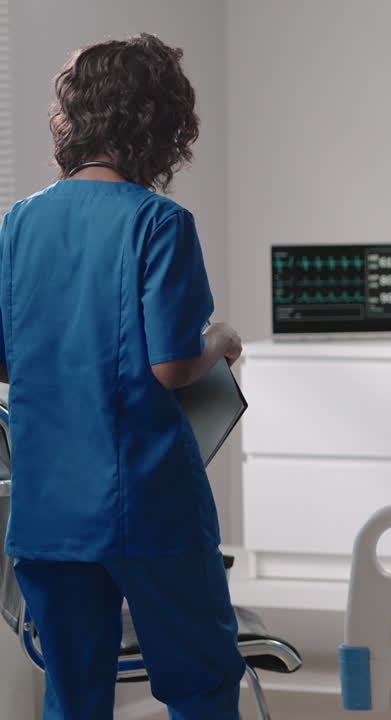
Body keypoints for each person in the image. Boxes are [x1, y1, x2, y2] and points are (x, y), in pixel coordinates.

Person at [0, 35, 245, 719]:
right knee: (198, 681)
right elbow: (171, 365)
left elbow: (4, 357)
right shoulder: (159, 223)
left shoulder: (18, 223)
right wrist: (219, 340)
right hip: (145, 503)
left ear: (74, 118)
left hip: (48, 509)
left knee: (74, 693)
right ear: (162, 124)